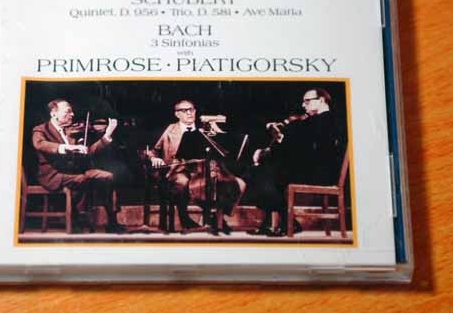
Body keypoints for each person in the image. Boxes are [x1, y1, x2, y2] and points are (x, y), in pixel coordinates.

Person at [250, 88, 344, 236]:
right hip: (313, 169)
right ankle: (277, 223)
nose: (303, 105)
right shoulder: (317, 120)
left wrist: (278, 143)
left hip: (321, 173)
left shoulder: (326, 120)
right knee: (265, 171)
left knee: (266, 172)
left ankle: (285, 223)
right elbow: (298, 148)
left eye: (307, 101)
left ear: (321, 100)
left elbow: (307, 150)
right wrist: (272, 149)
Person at [148, 100, 245, 232]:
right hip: (178, 170)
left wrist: (216, 134)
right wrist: (154, 158)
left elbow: (220, 151)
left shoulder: (204, 128)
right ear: (177, 114)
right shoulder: (171, 129)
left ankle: (218, 217)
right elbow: (154, 151)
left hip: (203, 170)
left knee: (237, 183)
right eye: (184, 110)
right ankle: (185, 218)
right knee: (182, 182)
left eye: (192, 109)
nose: (189, 113)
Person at [32, 99, 125, 233]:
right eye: (68, 111)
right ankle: (80, 218)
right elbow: (40, 144)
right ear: (54, 114)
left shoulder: (71, 132)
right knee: (83, 179)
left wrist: (106, 135)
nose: (72, 114)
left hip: (73, 172)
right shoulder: (41, 129)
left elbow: (88, 152)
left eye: (72, 111)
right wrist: (66, 147)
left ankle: (112, 221)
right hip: (54, 174)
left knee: (107, 176)